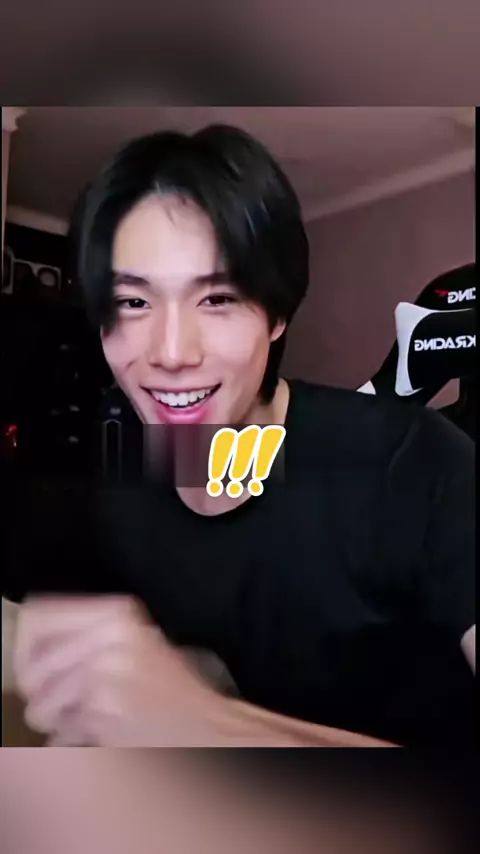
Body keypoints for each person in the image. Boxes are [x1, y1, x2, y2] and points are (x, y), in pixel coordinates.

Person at [2, 125, 475, 747]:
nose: (171, 353)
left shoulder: (416, 466)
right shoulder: (113, 466)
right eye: (134, 303)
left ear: (277, 316)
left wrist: (205, 720)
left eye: (218, 298)